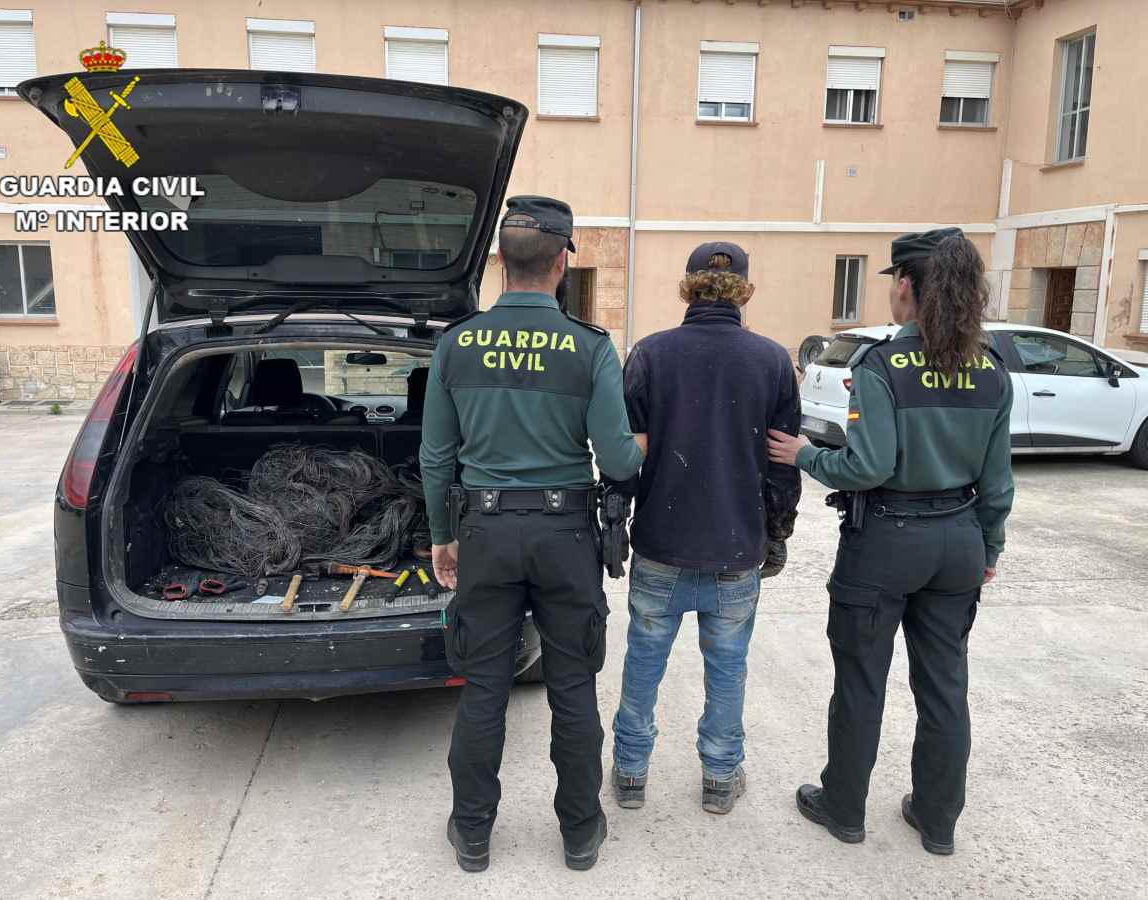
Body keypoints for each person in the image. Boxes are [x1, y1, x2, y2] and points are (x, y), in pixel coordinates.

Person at [767, 228, 1015, 856]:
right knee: (944, 689)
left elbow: (867, 467)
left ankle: (844, 808)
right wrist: (988, 549)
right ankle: (937, 821)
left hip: (885, 544)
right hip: (958, 542)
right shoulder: (990, 372)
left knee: (861, 681)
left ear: (905, 284)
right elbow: (998, 482)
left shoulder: (879, 366)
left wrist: (806, 455)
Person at [420, 195, 645, 873]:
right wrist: (640, 444)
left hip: (484, 529)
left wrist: (442, 536)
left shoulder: (456, 344)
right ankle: (580, 835)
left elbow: (436, 456)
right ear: (562, 260)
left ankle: (474, 834)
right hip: (566, 534)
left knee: (484, 686)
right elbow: (619, 461)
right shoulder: (590, 347)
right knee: (573, 686)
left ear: (500, 261)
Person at [609, 241, 801, 815]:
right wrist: (778, 533)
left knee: (642, 663)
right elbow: (781, 464)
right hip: (736, 547)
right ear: (746, 291)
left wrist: (614, 518)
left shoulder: (649, 354)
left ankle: (630, 774)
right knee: (728, 668)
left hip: (661, 547)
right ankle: (719, 778)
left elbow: (624, 456)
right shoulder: (771, 360)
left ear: (686, 287)